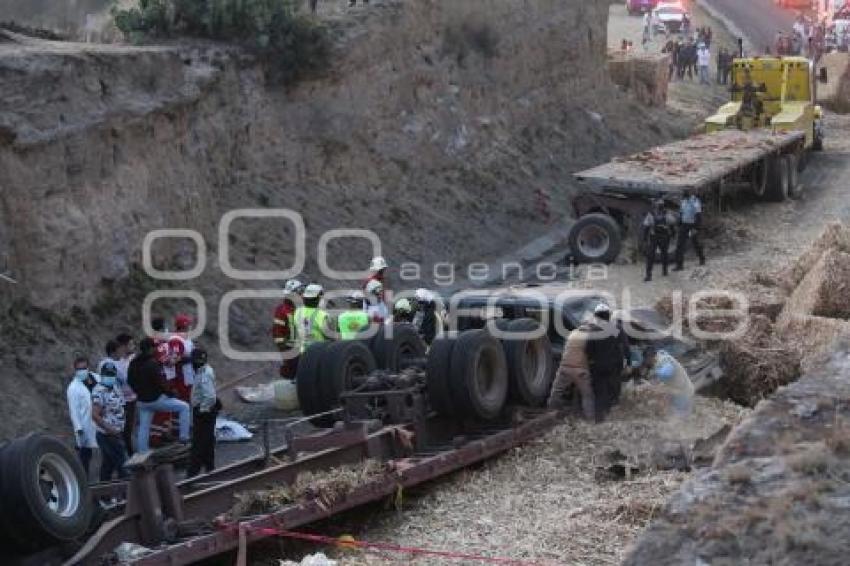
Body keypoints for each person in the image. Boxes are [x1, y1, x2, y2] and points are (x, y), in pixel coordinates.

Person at [129, 338, 191, 454]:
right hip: (156, 399)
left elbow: (130, 380)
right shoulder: (152, 363)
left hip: (142, 400)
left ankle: (142, 452)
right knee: (184, 407)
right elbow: (161, 382)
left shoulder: (134, 362)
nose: (156, 349)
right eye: (154, 347)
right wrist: (171, 393)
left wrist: (138, 392)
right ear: (150, 349)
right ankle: (184, 438)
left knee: (144, 426)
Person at [91, 362, 129, 481]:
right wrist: (110, 429)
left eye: (112, 375)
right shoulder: (99, 391)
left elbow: (122, 406)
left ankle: (103, 495)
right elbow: (95, 415)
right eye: (107, 375)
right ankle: (126, 493)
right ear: (102, 375)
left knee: (108, 465)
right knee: (123, 465)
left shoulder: (115, 387)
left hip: (117, 432)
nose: (110, 377)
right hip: (107, 435)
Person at [188, 347, 219, 477]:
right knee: (207, 440)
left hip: (204, 411)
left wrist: (203, 409)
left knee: (199, 443)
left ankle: (192, 473)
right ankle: (209, 467)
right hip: (205, 409)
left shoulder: (204, 374)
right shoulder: (204, 371)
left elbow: (210, 396)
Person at [67, 356, 98, 478]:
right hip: (86, 425)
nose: (82, 371)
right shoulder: (73, 388)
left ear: (88, 367)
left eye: (84, 368)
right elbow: (73, 411)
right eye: (79, 369)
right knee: (85, 456)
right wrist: (78, 429)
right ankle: (85, 480)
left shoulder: (97, 378)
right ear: (75, 370)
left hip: (101, 422)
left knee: (107, 452)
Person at [642, 346, 695, 417]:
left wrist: (656, 375)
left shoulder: (664, 360)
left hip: (682, 393)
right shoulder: (660, 358)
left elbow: (667, 372)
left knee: (677, 418)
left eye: (647, 360)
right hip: (679, 390)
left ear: (651, 357)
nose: (647, 362)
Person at [273, 279, 303, 377]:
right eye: (300, 292)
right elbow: (278, 333)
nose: (302, 295)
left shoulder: (298, 309)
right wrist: (285, 350)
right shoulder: (282, 311)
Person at [114, 333, 137, 454]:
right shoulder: (117, 363)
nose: (133, 347)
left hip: (133, 399)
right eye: (131, 344)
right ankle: (130, 455)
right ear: (123, 346)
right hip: (123, 400)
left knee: (129, 429)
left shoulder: (133, 359)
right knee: (125, 431)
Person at [643, 199, 674, 282]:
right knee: (651, 256)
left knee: (663, 255)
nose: (660, 206)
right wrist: (645, 238)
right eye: (659, 205)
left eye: (661, 205)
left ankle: (664, 270)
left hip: (662, 236)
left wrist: (645, 238)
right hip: (656, 236)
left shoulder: (665, 214)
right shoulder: (653, 214)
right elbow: (646, 226)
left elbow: (646, 226)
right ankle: (649, 275)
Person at [294, 284, 332, 352]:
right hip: (319, 353)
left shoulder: (298, 312)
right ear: (318, 299)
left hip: (303, 353)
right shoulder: (322, 315)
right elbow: (330, 337)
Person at [167, 313, 195, 403]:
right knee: (182, 402)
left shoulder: (186, 337)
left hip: (188, 374)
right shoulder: (176, 339)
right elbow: (174, 360)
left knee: (188, 400)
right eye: (188, 325)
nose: (190, 327)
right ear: (184, 326)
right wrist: (190, 357)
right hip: (180, 376)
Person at [675, 189, 706, 270]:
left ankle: (702, 258)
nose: (684, 192)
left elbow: (698, 215)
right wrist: (679, 223)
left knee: (695, 243)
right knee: (679, 245)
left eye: (686, 191)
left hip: (692, 225)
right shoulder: (683, 201)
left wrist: (696, 228)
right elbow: (681, 213)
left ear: (690, 192)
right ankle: (679, 265)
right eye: (684, 190)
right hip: (684, 225)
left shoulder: (695, 201)